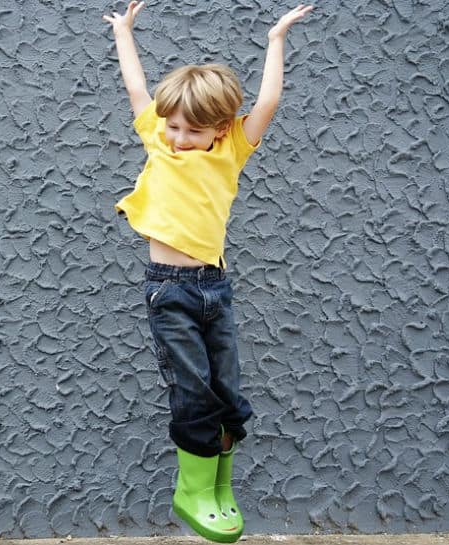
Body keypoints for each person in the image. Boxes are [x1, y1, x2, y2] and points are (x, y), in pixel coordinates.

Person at [103, 2, 314, 543]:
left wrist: (275, 40)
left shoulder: (231, 150)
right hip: (169, 290)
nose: (176, 138)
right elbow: (136, 90)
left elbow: (267, 102)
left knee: (227, 394)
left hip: (214, 288)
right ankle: (192, 490)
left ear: (221, 129)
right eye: (171, 126)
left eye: (191, 131)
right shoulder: (159, 140)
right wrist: (125, 33)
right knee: (193, 393)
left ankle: (221, 487)